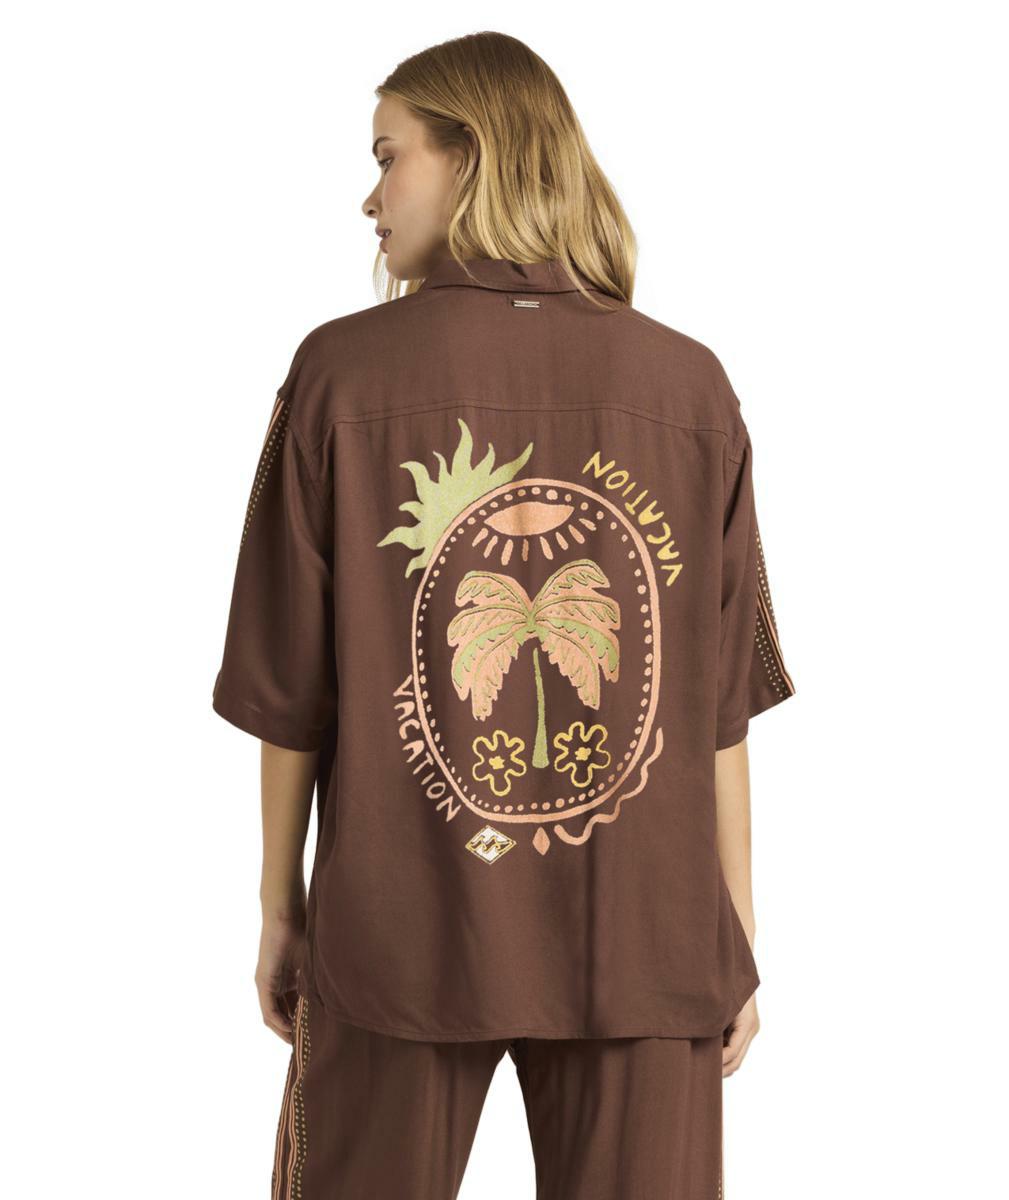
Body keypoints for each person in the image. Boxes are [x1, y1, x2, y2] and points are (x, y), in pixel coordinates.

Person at [212, 30, 797, 1200]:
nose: (369, 198)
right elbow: (716, 709)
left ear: (470, 154)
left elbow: (290, 690)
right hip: (647, 939)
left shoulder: (339, 376)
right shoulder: (690, 387)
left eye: (388, 157)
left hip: (398, 932)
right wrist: (729, 931)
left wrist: (283, 908)